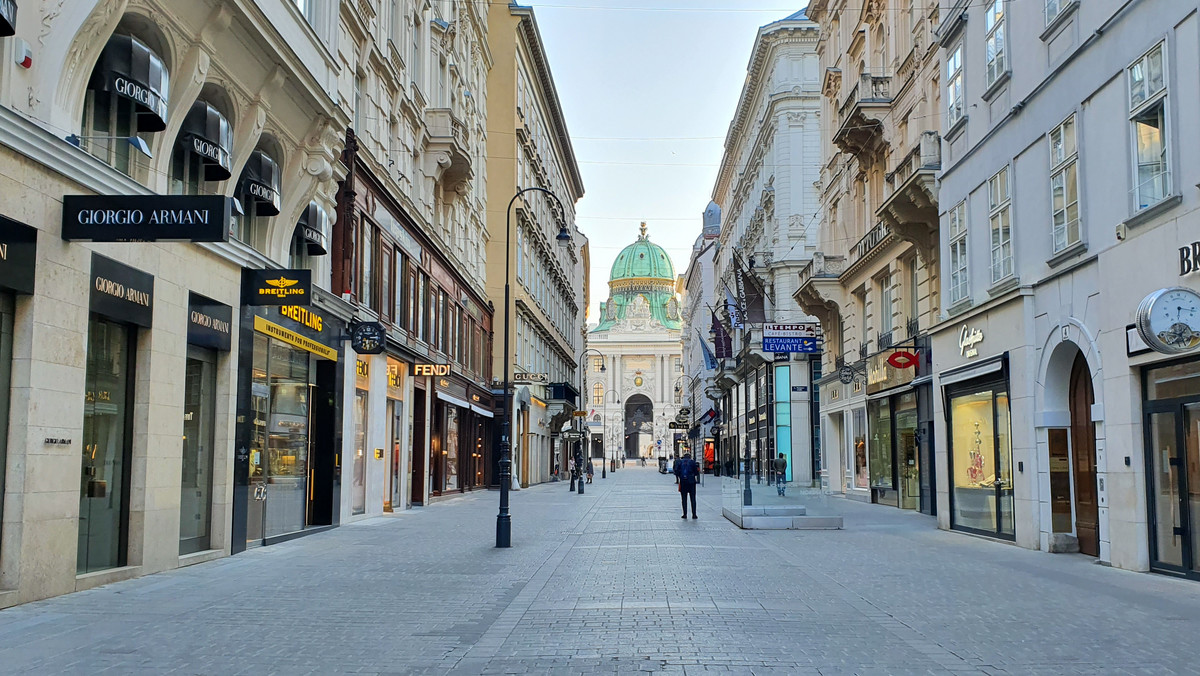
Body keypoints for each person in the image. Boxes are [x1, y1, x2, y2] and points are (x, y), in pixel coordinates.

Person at [674, 452, 699, 519]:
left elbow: (676, 471)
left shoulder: (680, 462)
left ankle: (684, 514)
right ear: (690, 456)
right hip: (691, 482)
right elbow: (696, 472)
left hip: (683, 482)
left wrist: (680, 477)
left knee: (684, 499)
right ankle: (694, 514)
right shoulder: (692, 462)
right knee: (693, 498)